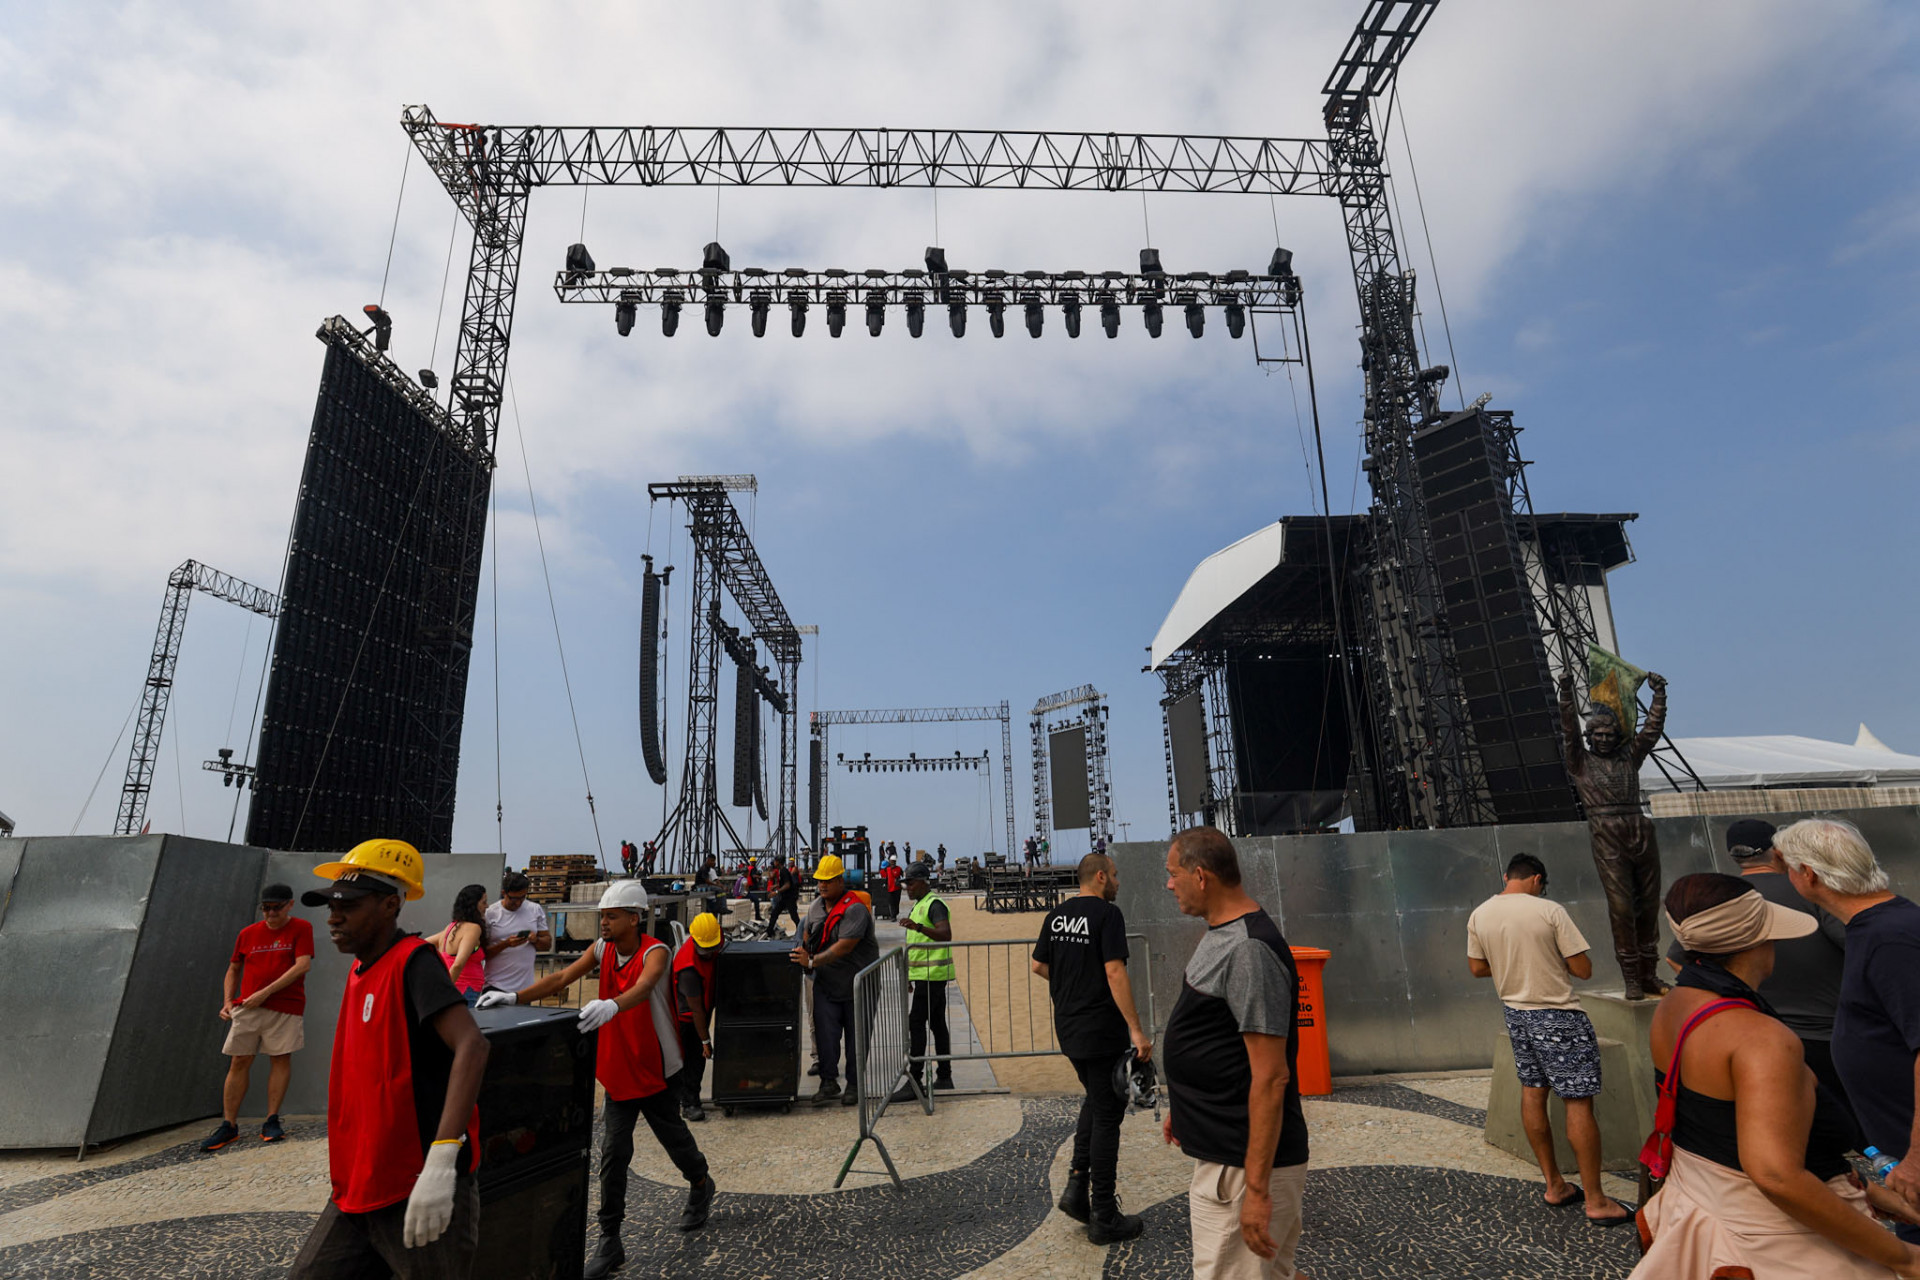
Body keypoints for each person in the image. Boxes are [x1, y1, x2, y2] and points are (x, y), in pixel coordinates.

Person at [1631, 872, 1920, 1278]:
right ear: (1757, 941)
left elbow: (1721, 1133)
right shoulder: (1762, 1039)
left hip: (1707, 1212)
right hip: (1780, 1245)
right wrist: (1905, 1257)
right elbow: (1776, 1175)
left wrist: (1867, 1191)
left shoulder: (1674, 1006)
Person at [478, 879, 714, 1278]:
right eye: (602, 916)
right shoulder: (602, 949)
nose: (603, 923)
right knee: (613, 1153)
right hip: (619, 1069)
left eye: (612, 916)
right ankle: (610, 1239)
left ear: (635, 918)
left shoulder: (656, 951)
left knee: (674, 1138)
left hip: (656, 1068)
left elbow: (644, 987)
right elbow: (560, 979)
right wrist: (513, 997)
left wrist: (612, 1005)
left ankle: (700, 1182)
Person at [288, 840, 488, 1279]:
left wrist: (441, 1160)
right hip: (361, 1182)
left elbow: (472, 1045)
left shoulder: (414, 962)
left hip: (416, 1183)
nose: (334, 917)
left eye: (348, 905)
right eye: (331, 906)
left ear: (390, 904)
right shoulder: (361, 968)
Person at [1160, 826, 1309, 1280]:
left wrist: (1258, 1192)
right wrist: (1186, 1105)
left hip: (1241, 1168)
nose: (1168, 884)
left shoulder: (1248, 949)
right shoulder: (1224, 934)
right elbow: (1221, 1040)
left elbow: (1271, 1076)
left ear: (1200, 876)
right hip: (1227, 1153)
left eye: (1173, 874)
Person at [1465, 854, 1629, 1225]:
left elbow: (1476, 968)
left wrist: (1512, 963)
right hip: (1559, 1016)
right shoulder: (1549, 911)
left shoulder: (1480, 914)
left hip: (1516, 1015)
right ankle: (1597, 1201)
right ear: (1537, 879)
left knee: (1533, 1092)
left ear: (1506, 876)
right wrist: (1545, 958)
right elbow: (1583, 969)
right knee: (1578, 1103)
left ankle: (1555, 1185)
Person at [1778, 817, 1920, 1243]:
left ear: (1808, 874)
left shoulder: (1891, 937)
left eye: (1788, 868)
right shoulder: (1877, 926)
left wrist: (1916, 1160)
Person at [1665, 818, 1852, 1119]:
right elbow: (1855, 944)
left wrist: (1735, 999)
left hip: (1753, 1035)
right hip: (1828, 1036)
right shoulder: (1808, 889)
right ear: (1779, 852)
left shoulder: (1724, 900)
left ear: (1733, 856)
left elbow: (1675, 958)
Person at [1032, 852, 1153, 1245]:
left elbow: (1038, 965)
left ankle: (1075, 1187)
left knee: (1096, 1100)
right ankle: (1103, 1214)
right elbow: (1114, 971)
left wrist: (1073, 981)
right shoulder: (1107, 915)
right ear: (1100, 877)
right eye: (1114, 875)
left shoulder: (1056, 916)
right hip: (1100, 1028)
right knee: (1108, 1115)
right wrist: (1137, 1030)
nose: (1117, 882)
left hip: (1069, 1027)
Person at [1558, 668, 1670, 999]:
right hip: (1607, 833)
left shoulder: (1629, 757)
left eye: (1610, 735)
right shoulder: (1579, 762)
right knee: (1621, 907)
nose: (1605, 739)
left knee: (1648, 904)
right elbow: (1568, 730)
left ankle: (1649, 974)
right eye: (1599, 735)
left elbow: (1652, 730)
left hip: (1639, 828)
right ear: (1590, 738)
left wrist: (1659, 695)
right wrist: (1566, 692)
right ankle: (1631, 976)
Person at [203, 882, 314, 1151]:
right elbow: (234, 967)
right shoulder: (248, 933)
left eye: (277, 908)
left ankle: (271, 1119)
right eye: (266, 908)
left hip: (285, 1006)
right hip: (248, 1006)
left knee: (280, 1057)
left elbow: (303, 965)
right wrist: (228, 1001)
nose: (271, 913)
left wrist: (265, 993)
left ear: (290, 905)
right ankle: (228, 1124)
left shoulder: (301, 928)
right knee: (239, 1060)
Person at [791, 853, 878, 1106]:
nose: (822, 885)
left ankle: (854, 1085)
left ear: (841, 880)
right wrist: (803, 954)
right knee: (825, 1037)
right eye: (820, 880)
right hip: (828, 984)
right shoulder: (816, 907)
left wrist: (812, 961)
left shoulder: (855, 909)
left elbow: (844, 947)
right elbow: (808, 936)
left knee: (856, 1038)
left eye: (828, 880)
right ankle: (828, 1082)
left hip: (858, 985)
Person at [892, 863, 957, 1100]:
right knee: (937, 1024)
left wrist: (918, 927)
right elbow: (917, 946)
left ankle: (915, 1080)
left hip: (932, 976)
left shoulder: (934, 904)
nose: (907, 888)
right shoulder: (920, 904)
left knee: (916, 1022)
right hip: (924, 976)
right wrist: (911, 976)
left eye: (910, 883)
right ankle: (945, 1076)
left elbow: (945, 934)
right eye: (905, 884)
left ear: (923, 881)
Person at [673, 912, 726, 1122]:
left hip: (706, 1004)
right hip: (688, 1018)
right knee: (693, 1059)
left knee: (697, 1058)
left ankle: (689, 1098)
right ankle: (689, 1103)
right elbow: (696, 1010)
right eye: (706, 950)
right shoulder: (688, 968)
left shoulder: (714, 935)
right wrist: (705, 1041)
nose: (709, 953)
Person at [482, 871, 551, 995]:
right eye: (513, 899)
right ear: (504, 893)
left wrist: (535, 940)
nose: (518, 903)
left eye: (522, 897)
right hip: (495, 986)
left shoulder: (535, 909)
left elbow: (547, 944)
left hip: (525, 989)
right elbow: (482, 953)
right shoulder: (490, 913)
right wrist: (506, 944)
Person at [435, 884, 489, 1007]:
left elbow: (425, 942)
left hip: (457, 989)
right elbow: (458, 964)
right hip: (464, 990)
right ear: (473, 905)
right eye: (484, 902)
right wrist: (445, 991)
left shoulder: (451, 927)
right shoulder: (473, 928)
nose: (487, 906)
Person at [765, 855, 801, 937]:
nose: (774, 863)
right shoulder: (781, 871)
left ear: (778, 862)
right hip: (785, 898)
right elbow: (784, 883)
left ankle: (801, 931)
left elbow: (787, 885)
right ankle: (769, 931)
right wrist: (775, 886)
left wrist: (776, 892)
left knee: (794, 916)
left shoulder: (784, 871)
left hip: (789, 897)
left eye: (775, 861)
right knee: (774, 913)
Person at [880, 857, 903, 922]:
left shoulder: (899, 869)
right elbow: (887, 878)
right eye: (891, 861)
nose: (892, 863)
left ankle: (896, 912)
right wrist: (885, 884)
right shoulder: (888, 869)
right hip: (890, 888)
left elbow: (902, 876)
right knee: (891, 903)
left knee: (896, 902)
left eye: (893, 861)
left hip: (897, 888)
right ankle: (893, 916)